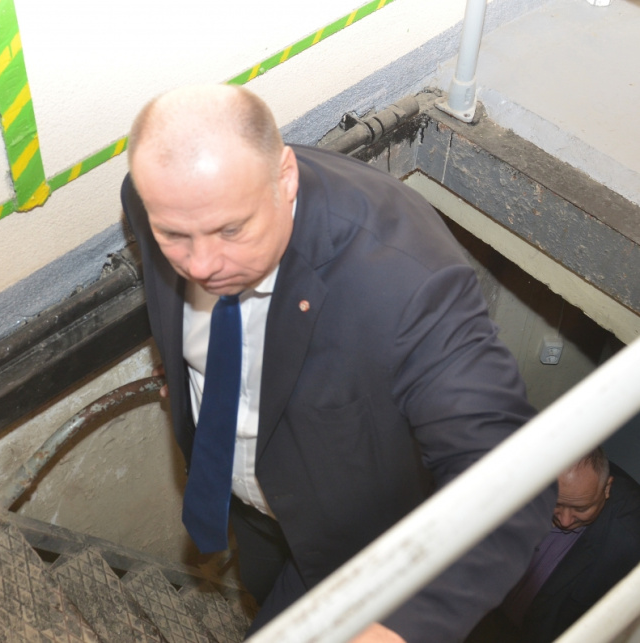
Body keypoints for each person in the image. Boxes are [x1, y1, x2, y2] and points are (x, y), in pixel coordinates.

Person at [120, 84, 556, 642]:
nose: (201, 265)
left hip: (359, 559)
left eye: (231, 230)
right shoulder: (155, 195)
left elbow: (510, 476)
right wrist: (183, 364)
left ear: (285, 178)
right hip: (254, 514)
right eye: (174, 236)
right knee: (264, 587)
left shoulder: (405, 283)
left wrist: (400, 629)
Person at [483, 447, 640, 642]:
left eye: (581, 508)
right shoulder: (505, 476)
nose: (565, 521)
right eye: (555, 504)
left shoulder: (630, 540)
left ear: (607, 488)